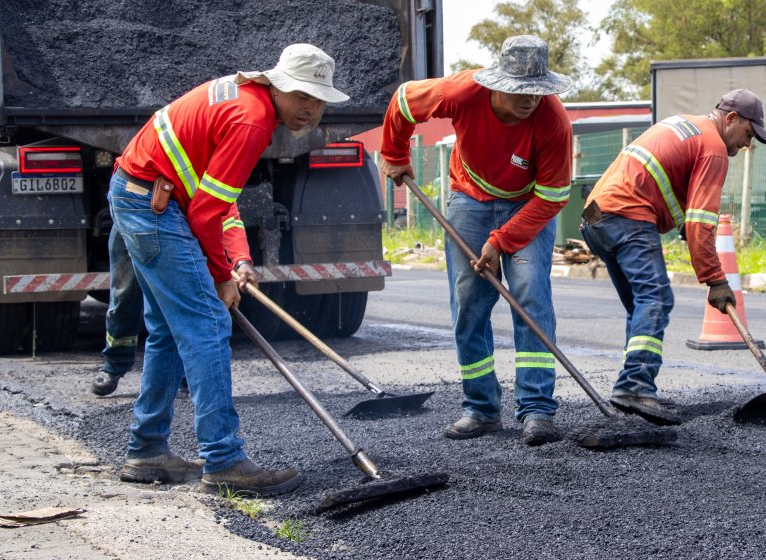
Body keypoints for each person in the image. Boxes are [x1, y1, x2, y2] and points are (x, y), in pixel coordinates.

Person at [108, 43, 349, 495]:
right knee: (207, 323)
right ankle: (224, 460)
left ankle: (147, 450)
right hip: (153, 203)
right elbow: (205, 213)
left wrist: (238, 259)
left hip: (146, 195)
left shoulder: (247, 102)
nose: (310, 108)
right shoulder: (252, 120)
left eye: (318, 100)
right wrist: (221, 276)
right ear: (278, 84)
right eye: (301, 95)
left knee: (169, 329)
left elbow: (222, 202)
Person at [380, 35, 574, 446]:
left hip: (528, 204)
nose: (530, 100)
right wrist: (395, 155)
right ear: (497, 85)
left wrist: (501, 241)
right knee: (468, 300)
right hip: (470, 198)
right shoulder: (462, 92)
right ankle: (481, 408)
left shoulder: (553, 121)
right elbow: (403, 101)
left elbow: (553, 196)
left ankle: (537, 409)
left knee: (530, 295)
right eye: (520, 91)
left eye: (537, 92)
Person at [580, 89, 766, 426]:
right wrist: (715, 280)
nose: (747, 144)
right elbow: (701, 224)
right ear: (731, 119)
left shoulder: (687, 125)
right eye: (748, 133)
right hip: (628, 215)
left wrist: (684, 222)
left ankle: (636, 387)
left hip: (598, 219)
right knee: (655, 298)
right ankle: (635, 386)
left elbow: (671, 185)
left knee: (641, 305)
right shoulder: (714, 148)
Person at [91, 207, 253, 398]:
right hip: (133, 216)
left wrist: (241, 261)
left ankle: (182, 377)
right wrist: (222, 274)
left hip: (176, 228)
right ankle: (115, 364)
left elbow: (228, 218)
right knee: (125, 296)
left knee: (179, 306)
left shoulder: (213, 189)